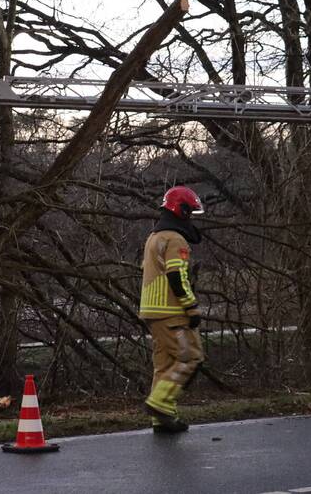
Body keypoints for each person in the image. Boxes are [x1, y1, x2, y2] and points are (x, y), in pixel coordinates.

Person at [140, 185, 206, 434]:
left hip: (151, 311)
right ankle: (160, 403)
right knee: (190, 357)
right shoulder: (175, 239)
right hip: (171, 311)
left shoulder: (154, 237)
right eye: (190, 212)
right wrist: (191, 306)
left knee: (164, 365)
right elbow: (177, 275)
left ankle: (163, 419)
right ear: (182, 210)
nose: (191, 218)